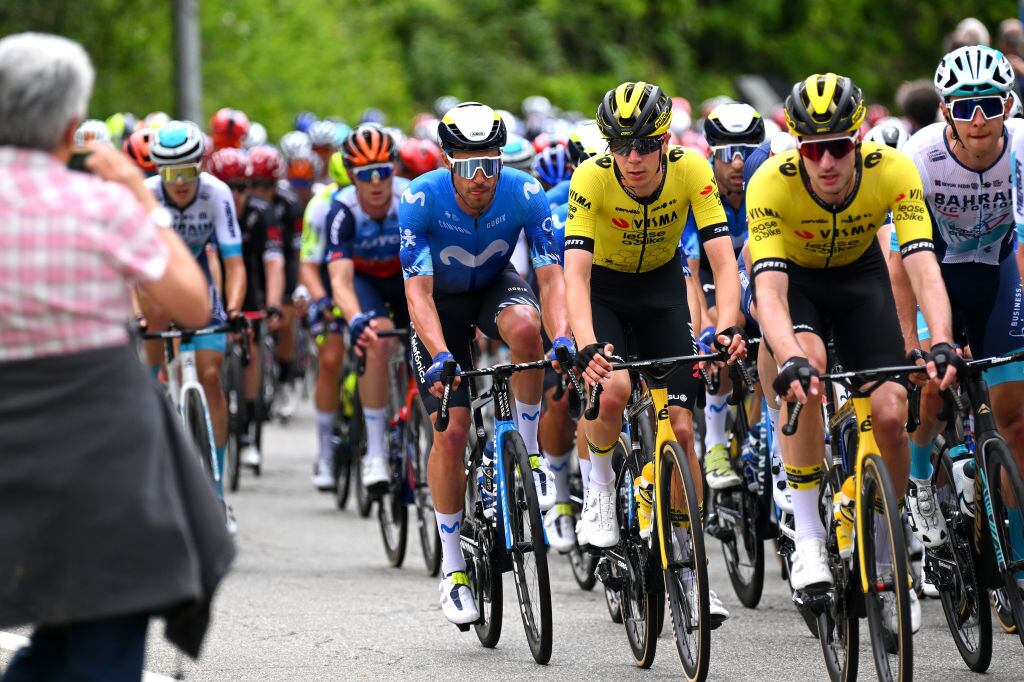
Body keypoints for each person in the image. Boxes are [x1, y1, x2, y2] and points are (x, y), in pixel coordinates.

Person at [0, 32, 233, 681]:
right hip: (100, 455)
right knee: (100, 641)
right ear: (73, 124)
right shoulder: (101, 205)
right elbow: (191, 305)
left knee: (53, 650)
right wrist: (139, 195)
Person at [746, 74, 958, 632]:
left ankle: (890, 561)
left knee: (890, 410)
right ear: (798, 147)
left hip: (860, 279)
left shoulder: (893, 170)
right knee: (807, 372)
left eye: (839, 146)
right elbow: (767, 293)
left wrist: (938, 340)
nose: (828, 163)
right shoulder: (770, 182)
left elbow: (921, 267)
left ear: (859, 139)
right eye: (813, 150)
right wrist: (787, 355)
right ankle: (811, 536)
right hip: (799, 285)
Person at [564, 81, 746, 626]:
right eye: (621, 146)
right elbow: (573, 276)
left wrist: (727, 324)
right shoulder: (591, 176)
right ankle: (598, 490)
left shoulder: (691, 170)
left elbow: (721, 260)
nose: (633, 158)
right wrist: (585, 343)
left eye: (644, 144)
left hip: (663, 291)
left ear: (665, 139)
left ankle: (690, 573)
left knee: (683, 432)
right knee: (614, 388)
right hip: (605, 292)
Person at [400, 101, 569, 625]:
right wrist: (443, 355)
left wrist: (560, 337)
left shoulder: (525, 193)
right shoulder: (419, 198)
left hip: (493, 288)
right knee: (449, 433)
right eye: (469, 166)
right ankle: (452, 572)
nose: (480, 178)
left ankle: (531, 452)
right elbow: (418, 294)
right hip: (440, 310)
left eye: (490, 165)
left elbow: (551, 278)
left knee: (526, 328)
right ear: (449, 163)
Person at [899, 47, 1024, 556]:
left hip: (1000, 275)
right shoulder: (919, 154)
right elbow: (901, 256)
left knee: (1015, 421)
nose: (977, 120)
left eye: (989, 105)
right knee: (932, 388)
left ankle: (1016, 550)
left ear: (1009, 107)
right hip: (938, 276)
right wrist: (913, 340)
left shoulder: (1020, 148)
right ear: (946, 109)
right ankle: (921, 480)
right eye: (964, 106)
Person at [141, 120, 247, 531]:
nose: (180, 182)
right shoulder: (146, 195)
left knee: (210, 375)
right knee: (152, 315)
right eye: (170, 173)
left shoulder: (216, 193)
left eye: (188, 171)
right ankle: (153, 387)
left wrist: (234, 309)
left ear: (200, 167)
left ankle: (216, 493)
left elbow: (234, 262)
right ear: (158, 172)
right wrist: (139, 316)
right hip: (156, 277)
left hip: (199, 277)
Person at [681, 102, 765, 490]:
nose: (737, 163)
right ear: (710, 155)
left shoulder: (765, 184)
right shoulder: (699, 190)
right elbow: (693, 275)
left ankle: (764, 426)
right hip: (712, 278)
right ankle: (714, 441)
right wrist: (704, 325)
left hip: (754, 272)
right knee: (720, 329)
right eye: (727, 154)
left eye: (746, 153)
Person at [322, 125, 410, 489]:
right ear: (351, 175)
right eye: (365, 175)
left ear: (394, 169)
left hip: (408, 278)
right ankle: (374, 452)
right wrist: (355, 317)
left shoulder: (410, 198)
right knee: (377, 342)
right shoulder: (342, 209)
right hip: (366, 281)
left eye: (383, 172)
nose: (376, 183)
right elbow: (340, 281)